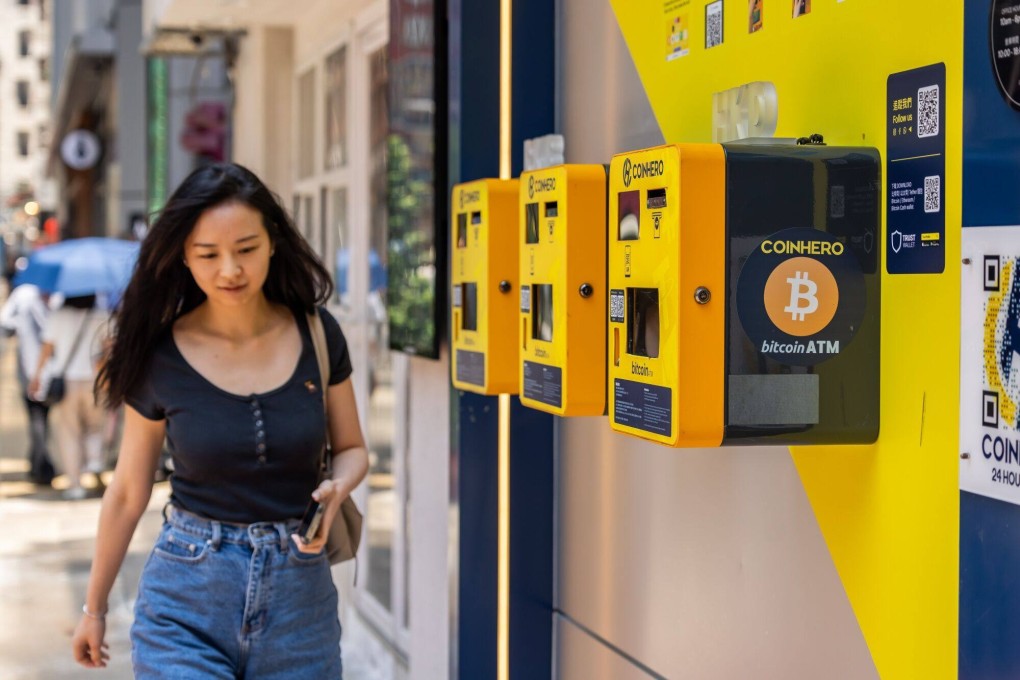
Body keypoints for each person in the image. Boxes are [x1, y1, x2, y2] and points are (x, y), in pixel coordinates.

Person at [71, 163, 369, 677]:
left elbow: (353, 448)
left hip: (301, 604)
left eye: (246, 249)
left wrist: (338, 487)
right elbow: (127, 490)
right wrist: (93, 609)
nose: (229, 270)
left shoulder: (318, 334)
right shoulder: (160, 353)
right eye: (208, 255)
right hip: (185, 600)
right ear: (184, 256)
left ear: (273, 243)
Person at [30, 293, 110, 499]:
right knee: (96, 426)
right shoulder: (101, 316)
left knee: (69, 433)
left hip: (67, 382)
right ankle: (94, 460)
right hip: (95, 380)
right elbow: (110, 349)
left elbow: (46, 349)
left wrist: (37, 375)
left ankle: (75, 485)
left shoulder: (58, 316)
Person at [0, 283, 56, 484]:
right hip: (53, 369)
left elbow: (5, 325)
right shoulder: (57, 292)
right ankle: (39, 463)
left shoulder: (21, 293)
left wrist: (21, 322)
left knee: (36, 417)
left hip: (28, 367)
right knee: (42, 417)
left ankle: (40, 465)